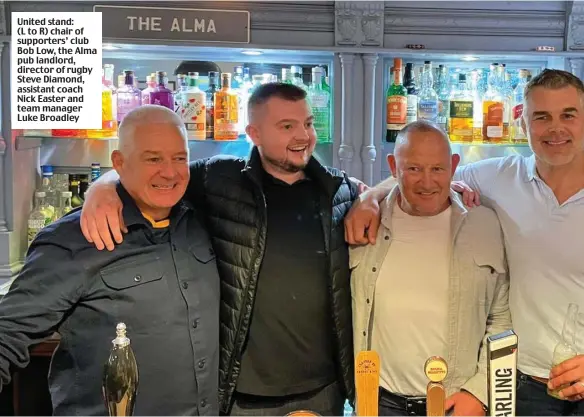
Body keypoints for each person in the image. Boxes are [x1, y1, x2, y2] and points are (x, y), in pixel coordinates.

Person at [79, 83, 361, 416]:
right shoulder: (218, 178)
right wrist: (103, 186)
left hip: (323, 392)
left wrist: (372, 198)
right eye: (287, 126)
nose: (303, 136)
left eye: (308, 123)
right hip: (239, 394)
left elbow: (396, 187)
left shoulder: (338, 190)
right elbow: (160, 172)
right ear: (253, 132)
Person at [345, 69, 584, 415]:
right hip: (519, 383)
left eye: (568, 115)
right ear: (523, 124)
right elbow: (424, 172)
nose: (555, 128)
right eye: (542, 117)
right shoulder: (499, 177)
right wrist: (368, 200)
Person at [0, 105, 220, 415]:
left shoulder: (202, 219)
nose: (169, 171)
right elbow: (8, 334)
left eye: (179, 158)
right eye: (153, 158)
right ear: (119, 162)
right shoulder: (74, 239)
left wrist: (103, 184)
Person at [351, 120, 510, 416]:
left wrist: (479, 392)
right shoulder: (364, 222)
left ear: (453, 165)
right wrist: (367, 197)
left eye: (437, 169)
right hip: (377, 402)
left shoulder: (484, 223)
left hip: (455, 403)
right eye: (413, 169)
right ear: (392, 166)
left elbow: (500, 320)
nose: (427, 182)